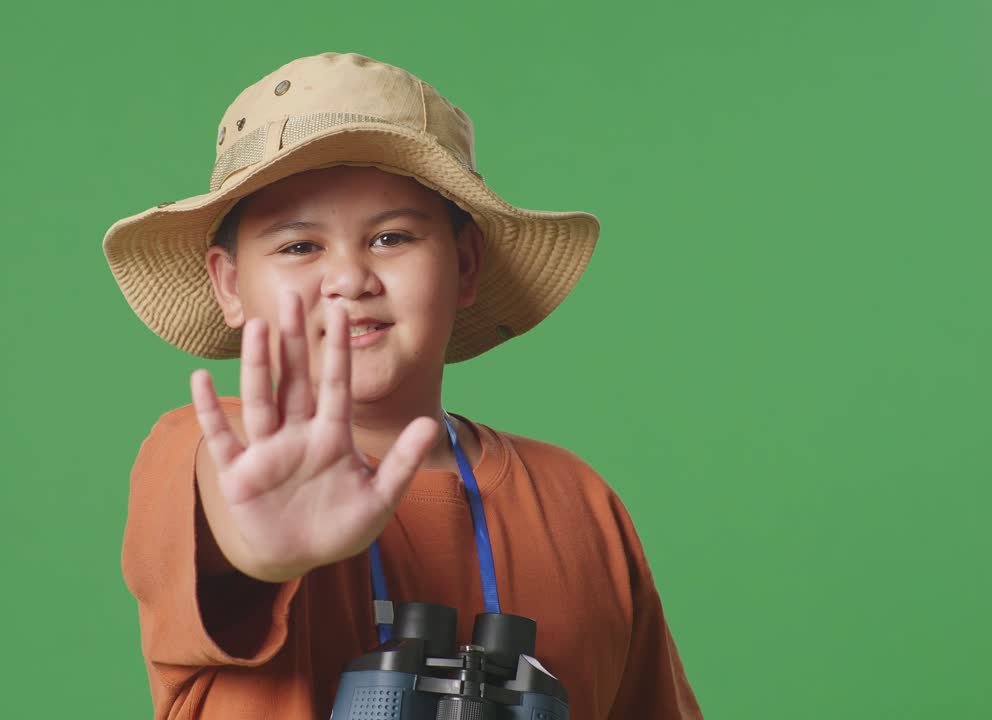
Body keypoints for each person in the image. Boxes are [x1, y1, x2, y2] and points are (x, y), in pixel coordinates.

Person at [102, 52, 702, 719]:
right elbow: (224, 503)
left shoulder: (580, 501)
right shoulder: (210, 451)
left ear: (466, 265)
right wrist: (257, 552)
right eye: (299, 246)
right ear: (229, 284)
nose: (350, 278)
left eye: (392, 237)